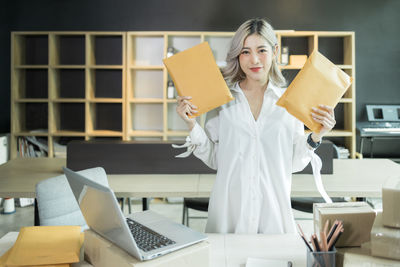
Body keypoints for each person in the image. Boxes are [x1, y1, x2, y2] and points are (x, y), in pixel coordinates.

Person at [175, 18, 336, 234]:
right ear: (237, 56)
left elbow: (294, 163)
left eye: (261, 50)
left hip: (274, 214)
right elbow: (215, 158)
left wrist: (316, 135)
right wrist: (191, 124)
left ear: (275, 51)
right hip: (228, 214)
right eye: (245, 52)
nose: (254, 60)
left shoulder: (289, 103)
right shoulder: (223, 100)